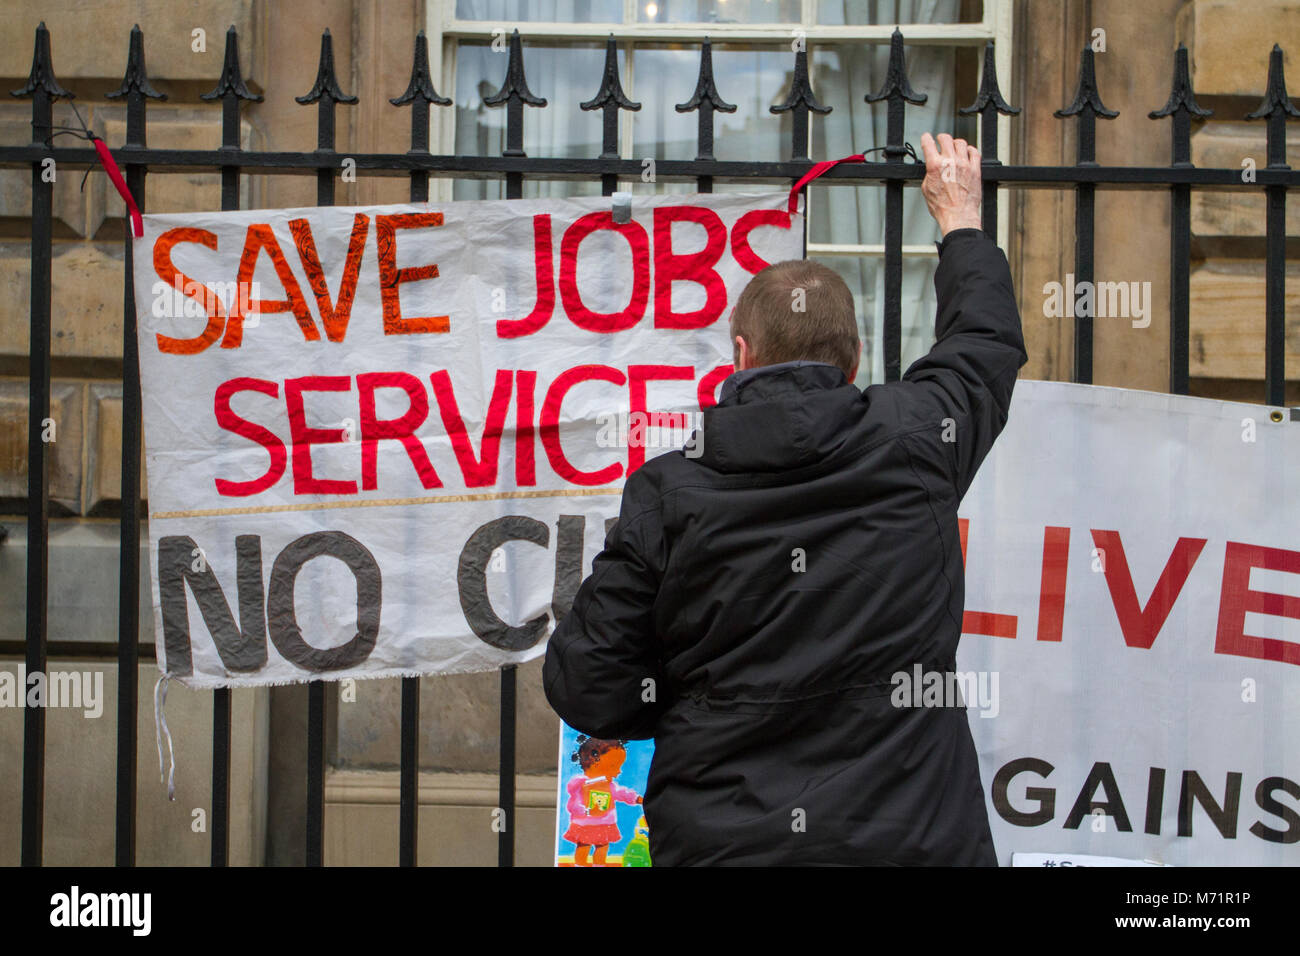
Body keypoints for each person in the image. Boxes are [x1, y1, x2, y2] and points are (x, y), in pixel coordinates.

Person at [543, 132, 1028, 865]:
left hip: (728, 844)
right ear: (854, 359)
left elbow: (588, 687)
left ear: (739, 355)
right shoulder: (917, 439)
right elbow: (984, 343)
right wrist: (960, 220)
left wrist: (690, 693)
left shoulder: (671, 490)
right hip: (909, 843)